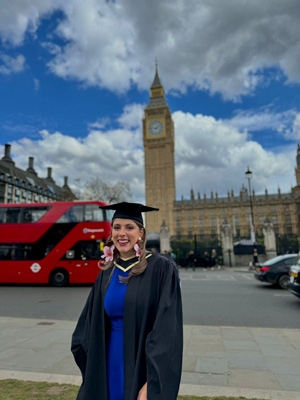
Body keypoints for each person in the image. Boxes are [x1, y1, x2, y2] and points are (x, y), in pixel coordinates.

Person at [71, 202, 183, 400]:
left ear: (141, 232)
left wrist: (153, 381)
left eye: (129, 227)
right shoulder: (107, 272)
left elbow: (167, 332)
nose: (122, 233)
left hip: (141, 363)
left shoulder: (160, 269)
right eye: (117, 227)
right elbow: (88, 326)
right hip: (108, 360)